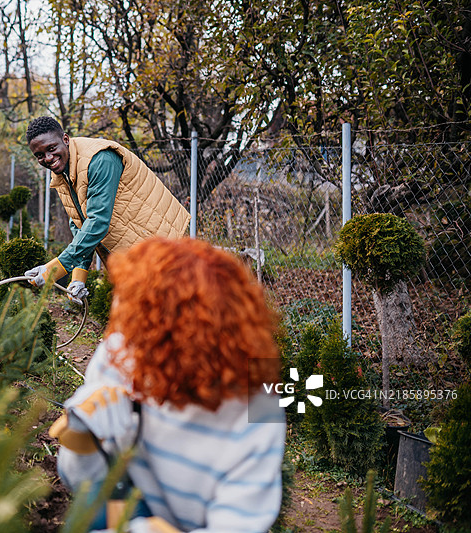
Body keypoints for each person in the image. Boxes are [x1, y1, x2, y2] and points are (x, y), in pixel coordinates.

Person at [48, 238, 286, 533]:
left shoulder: (256, 407)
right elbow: (84, 485)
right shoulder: (120, 356)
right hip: (134, 500)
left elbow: (239, 524)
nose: (121, 321)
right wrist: (83, 439)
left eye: (138, 309)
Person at [23, 116, 190, 303]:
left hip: (161, 247)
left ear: (65, 139)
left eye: (51, 148)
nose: (47, 158)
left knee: (175, 311)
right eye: (40, 155)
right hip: (131, 255)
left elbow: (97, 222)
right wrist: (78, 277)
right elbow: (80, 223)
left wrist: (54, 269)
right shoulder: (63, 173)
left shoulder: (99, 159)